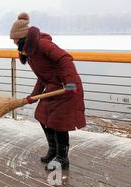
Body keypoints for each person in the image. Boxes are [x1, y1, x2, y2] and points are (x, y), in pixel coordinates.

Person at [10, 12, 86, 170]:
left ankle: (62, 158)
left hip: (68, 87)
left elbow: (65, 59)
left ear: (22, 37)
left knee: (58, 122)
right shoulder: (29, 51)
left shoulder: (43, 45)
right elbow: (42, 77)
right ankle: (53, 150)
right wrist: (34, 95)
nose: (13, 41)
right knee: (42, 116)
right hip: (53, 87)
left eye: (14, 38)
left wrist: (70, 83)